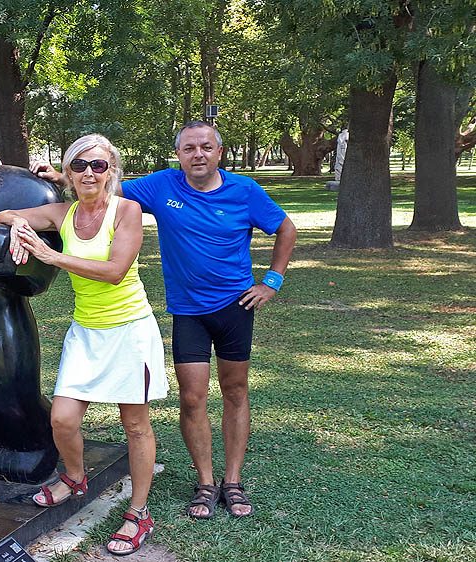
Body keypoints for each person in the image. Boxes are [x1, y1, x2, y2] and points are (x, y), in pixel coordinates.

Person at [32, 121, 297, 519]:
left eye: (205, 147)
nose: (198, 154)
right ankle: (205, 483)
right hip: (188, 310)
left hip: (235, 306)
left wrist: (271, 282)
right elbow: (105, 186)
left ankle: (233, 481)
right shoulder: (161, 185)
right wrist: (62, 175)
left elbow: (285, 228)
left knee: (235, 390)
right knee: (192, 397)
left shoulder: (244, 191)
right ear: (179, 155)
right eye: (189, 148)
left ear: (219, 152)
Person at [0, 134, 169, 556]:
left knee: (135, 426)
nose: (89, 173)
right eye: (79, 165)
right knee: (63, 420)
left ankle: (139, 513)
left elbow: (114, 270)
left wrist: (51, 256)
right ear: (68, 173)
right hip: (86, 331)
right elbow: (1, 213)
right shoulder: (62, 213)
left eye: (98, 165)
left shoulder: (127, 211)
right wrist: (18, 224)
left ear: (111, 172)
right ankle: (74, 477)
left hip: (129, 331)